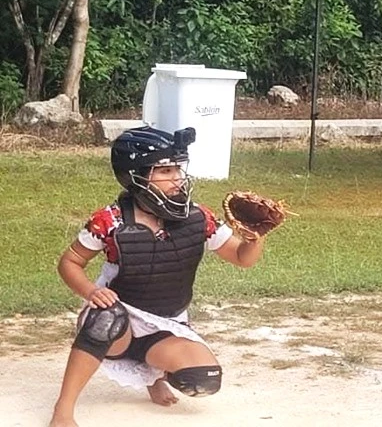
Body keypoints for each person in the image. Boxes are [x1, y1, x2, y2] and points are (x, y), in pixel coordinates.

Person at [49, 126, 269, 427]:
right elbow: (69, 263)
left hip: (166, 324)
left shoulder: (198, 217)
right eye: (165, 170)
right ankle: (63, 410)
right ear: (134, 174)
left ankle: (153, 375)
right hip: (119, 319)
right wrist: (91, 292)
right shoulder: (110, 221)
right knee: (106, 320)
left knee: (204, 379)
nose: (177, 178)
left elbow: (242, 259)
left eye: (178, 168)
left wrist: (256, 237)